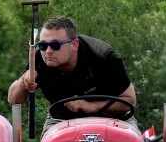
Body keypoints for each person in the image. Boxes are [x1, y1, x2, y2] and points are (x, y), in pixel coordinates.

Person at [8, 16, 136, 128]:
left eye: (56, 45)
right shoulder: (39, 59)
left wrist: (92, 106)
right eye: (42, 45)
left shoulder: (103, 57)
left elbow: (130, 100)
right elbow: (13, 100)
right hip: (61, 119)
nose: (48, 51)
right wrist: (24, 82)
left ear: (74, 45)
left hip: (112, 118)